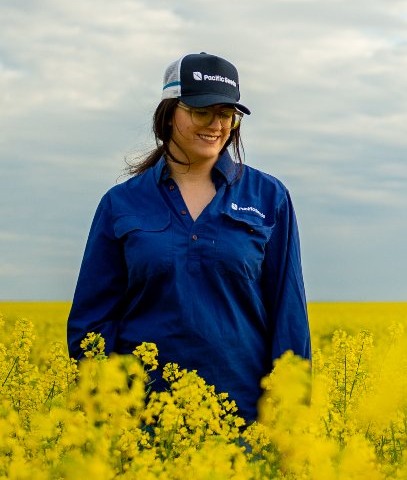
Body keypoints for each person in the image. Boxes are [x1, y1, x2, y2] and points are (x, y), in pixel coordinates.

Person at [68, 52, 310, 423]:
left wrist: (291, 416)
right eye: (201, 111)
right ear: (169, 113)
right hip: (142, 421)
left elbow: (288, 312)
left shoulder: (267, 197)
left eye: (226, 114)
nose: (216, 124)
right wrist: (106, 413)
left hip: (242, 422)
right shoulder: (122, 203)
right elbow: (92, 322)